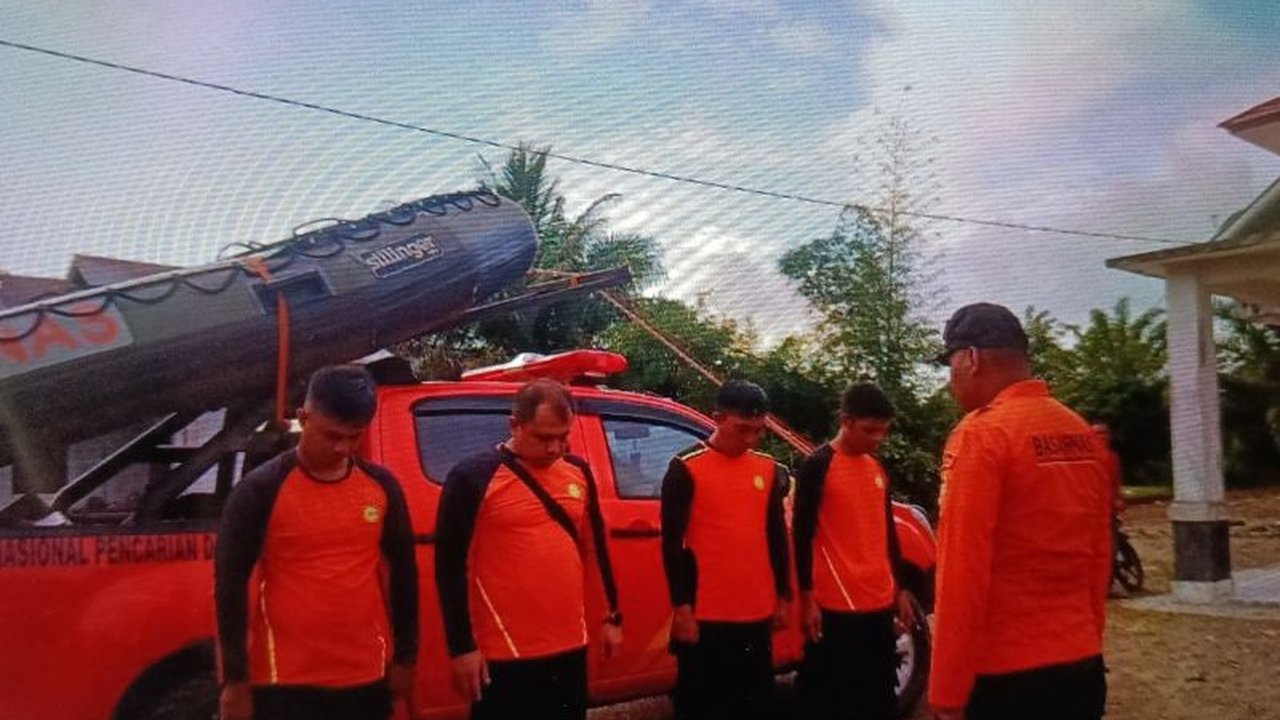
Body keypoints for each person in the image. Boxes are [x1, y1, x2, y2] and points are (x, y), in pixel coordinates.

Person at [929, 303, 1113, 720]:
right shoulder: (1080, 432)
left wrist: (946, 692)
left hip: (1005, 676)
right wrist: (1088, 637)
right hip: (1080, 665)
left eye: (950, 363)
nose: (950, 378)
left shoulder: (982, 435)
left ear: (971, 358)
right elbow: (1099, 554)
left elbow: (962, 571)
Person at [215, 365, 418, 720]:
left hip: (365, 675)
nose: (342, 447)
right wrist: (235, 682)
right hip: (286, 682)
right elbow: (229, 587)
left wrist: (405, 657)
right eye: (331, 435)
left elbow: (404, 575)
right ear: (303, 417)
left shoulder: (381, 487)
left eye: (354, 437)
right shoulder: (261, 489)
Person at [434, 378, 622, 720]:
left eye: (563, 437)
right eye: (543, 437)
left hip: (569, 646)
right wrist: (462, 647)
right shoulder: (472, 478)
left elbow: (595, 548)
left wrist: (610, 617)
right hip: (504, 653)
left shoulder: (577, 472)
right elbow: (451, 568)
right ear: (514, 425)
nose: (554, 448)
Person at [661, 379, 791, 720]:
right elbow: (671, 544)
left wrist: (783, 596)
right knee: (703, 705)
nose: (750, 439)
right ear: (717, 418)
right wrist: (682, 608)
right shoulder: (686, 468)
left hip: (756, 611)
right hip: (707, 616)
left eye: (759, 431)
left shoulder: (765, 469)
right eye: (742, 429)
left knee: (755, 703)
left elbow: (776, 536)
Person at [793, 382, 917, 720]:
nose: (877, 438)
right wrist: (807, 597)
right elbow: (802, 535)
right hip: (836, 604)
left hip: (878, 601)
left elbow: (887, 531)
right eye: (869, 430)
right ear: (846, 421)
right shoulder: (818, 465)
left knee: (878, 695)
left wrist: (901, 588)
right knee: (831, 698)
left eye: (883, 431)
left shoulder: (875, 469)